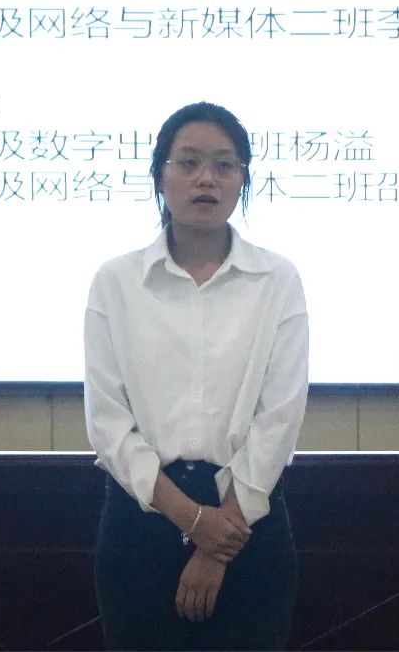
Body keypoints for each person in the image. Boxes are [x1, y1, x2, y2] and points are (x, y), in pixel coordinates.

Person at [84, 102, 308, 651]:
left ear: (243, 179)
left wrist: (216, 539)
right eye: (188, 162)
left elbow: (279, 419)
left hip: (247, 518)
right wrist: (193, 520)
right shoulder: (117, 282)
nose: (206, 178)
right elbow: (108, 423)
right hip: (143, 518)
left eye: (224, 165)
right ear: (159, 175)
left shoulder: (277, 279)